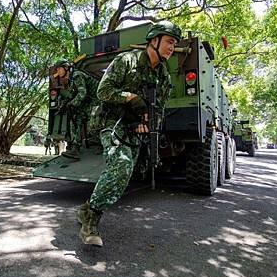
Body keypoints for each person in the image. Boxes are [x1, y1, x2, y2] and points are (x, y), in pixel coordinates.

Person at [78, 21, 181, 247]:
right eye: (169, 42)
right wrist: (132, 98)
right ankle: (91, 219)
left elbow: (159, 109)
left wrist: (148, 123)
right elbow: (103, 91)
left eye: (175, 44)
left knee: (125, 176)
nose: (172, 47)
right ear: (154, 40)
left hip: (136, 129)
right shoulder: (127, 60)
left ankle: (86, 208)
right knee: (121, 165)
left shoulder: (163, 76)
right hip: (111, 122)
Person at [53, 60, 98, 160]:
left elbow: (82, 93)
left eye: (59, 68)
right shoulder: (71, 79)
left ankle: (98, 141)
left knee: (94, 121)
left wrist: (71, 104)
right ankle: (75, 147)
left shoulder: (77, 75)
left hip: (97, 101)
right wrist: (64, 105)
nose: (58, 71)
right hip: (88, 102)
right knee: (75, 118)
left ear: (66, 68)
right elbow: (72, 95)